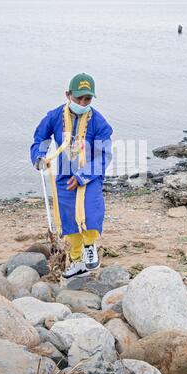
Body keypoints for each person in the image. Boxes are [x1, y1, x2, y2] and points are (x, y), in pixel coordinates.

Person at [30, 73, 113, 279]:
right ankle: (77, 261)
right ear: (68, 95)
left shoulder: (99, 121)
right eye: (79, 99)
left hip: (90, 174)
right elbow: (41, 136)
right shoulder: (55, 116)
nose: (83, 103)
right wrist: (39, 156)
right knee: (67, 218)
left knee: (91, 211)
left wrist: (84, 175)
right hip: (65, 174)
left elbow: (105, 154)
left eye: (88, 99)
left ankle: (89, 248)